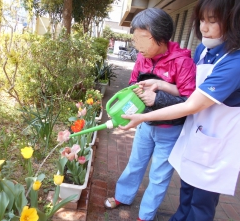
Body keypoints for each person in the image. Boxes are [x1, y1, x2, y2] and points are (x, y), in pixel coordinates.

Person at [119, 0, 240, 220]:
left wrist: (146, 111)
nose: (203, 27)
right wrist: (160, 84)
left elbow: (190, 102)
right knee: (185, 191)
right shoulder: (204, 49)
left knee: (199, 202)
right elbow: (190, 92)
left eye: (212, 21)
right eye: (202, 20)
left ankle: (146, 215)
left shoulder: (234, 61)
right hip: (192, 134)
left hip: (211, 142)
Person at [103, 8, 196, 221]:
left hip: (170, 130)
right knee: (135, 163)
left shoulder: (183, 62)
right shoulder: (142, 58)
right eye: (135, 39)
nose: (137, 46)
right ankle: (122, 196)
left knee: (159, 176)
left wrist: (158, 98)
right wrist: (133, 94)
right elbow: (132, 83)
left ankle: (145, 215)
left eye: (142, 39)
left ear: (160, 37)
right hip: (145, 126)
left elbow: (190, 102)